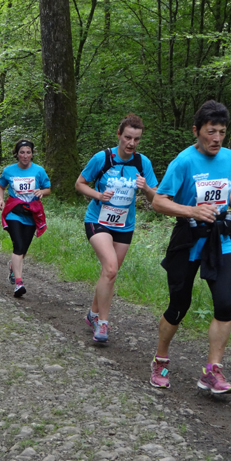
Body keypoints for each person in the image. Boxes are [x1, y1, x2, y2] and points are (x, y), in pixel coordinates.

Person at [149, 100, 231, 393]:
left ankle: (212, 371)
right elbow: (159, 202)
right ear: (196, 131)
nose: (216, 138)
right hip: (188, 238)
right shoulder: (182, 162)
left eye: (221, 132)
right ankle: (160, 360)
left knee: (225, 305)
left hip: (220, 239)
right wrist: (192, 210)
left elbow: (225, 186)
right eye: (210, 132)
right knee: (179, 306)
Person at [75, 114, 158, 343]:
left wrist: (146, 188)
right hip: (98, 220)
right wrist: (98, 195)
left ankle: (93, 314)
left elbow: (156, 198)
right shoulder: (102, 158)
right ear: (119, 134)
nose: (131, 143)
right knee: (111, 268)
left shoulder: (142, 163)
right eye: (128, 137)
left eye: (136, 139)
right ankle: (102, 323)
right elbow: (79, 183)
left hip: (124, 225)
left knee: (109, 273)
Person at [0, 139, 51, 297]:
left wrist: (42, 192)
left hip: (31, 214)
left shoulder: (39, 170)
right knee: (18, 246)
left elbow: (48, 189)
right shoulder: (9, 170)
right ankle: (19, 283)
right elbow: (1, 187)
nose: (25, 155)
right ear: (17, 154)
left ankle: (13, 266)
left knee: (23, 249)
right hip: (13, 212)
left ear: (32, 154)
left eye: (28, 152)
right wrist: (0, 200)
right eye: (22, 152)